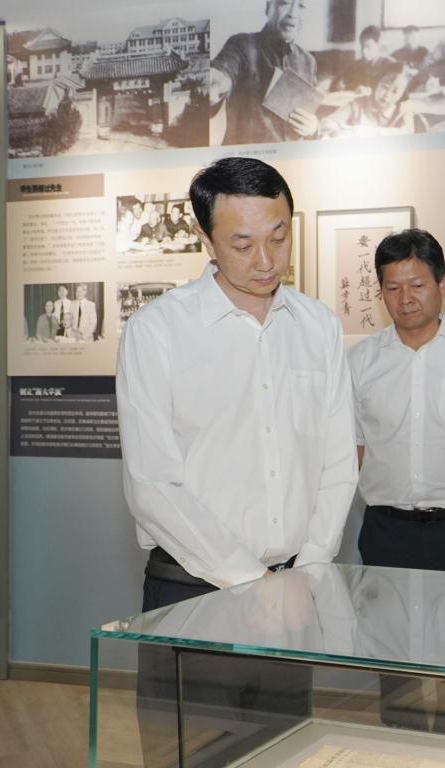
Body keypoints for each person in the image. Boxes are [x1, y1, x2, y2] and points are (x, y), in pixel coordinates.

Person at [116, 156, 358, 610]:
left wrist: (309, 570)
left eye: (279, 238)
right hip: (192, 588)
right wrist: (254, 581)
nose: (266, 261)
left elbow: (339, 462)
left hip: (298, 584)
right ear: (206, 239)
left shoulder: (318, 325)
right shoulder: (157, 331)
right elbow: (152, 484)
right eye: (243, 245)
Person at [348, 229, 445, 572]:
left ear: (441, 285)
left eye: (417, 285)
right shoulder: (360, 361)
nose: (405, 299)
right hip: (385, 529)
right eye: (393, 288)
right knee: (382, 610)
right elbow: (354, 449)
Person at [209, 0, 319, 145]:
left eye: (302, 6)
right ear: (268, 8)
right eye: (284, 3)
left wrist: (313, 127)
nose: (293, 14)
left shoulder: (308, 61)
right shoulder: (241, 44)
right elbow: (223, 73)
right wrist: (217, 82)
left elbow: (311, 114)